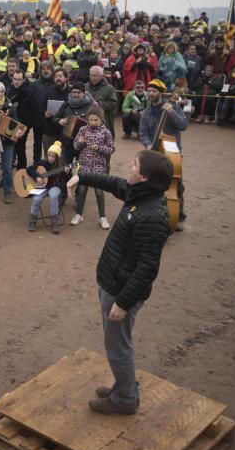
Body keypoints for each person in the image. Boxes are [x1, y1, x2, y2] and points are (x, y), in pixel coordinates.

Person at [65, 149, 174, 415]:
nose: (129, 165)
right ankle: (124, 387)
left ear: (145, 177)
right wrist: (80, 176)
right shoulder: (140, 194)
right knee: (117, 343)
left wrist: (123, 303)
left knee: (117, 345)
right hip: (114, 283)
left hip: (121, 291)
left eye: (134, 164)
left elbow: (148, 267)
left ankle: (125, 398)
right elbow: (114, 183)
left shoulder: (151, 215)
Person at [138, 79, 188, 230]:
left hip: (172, 152)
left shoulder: (173, 106)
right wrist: (148, 145)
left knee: (176, 185)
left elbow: (183, 125)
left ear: (160, 93)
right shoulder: (146, 112)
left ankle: (178, 216)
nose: (151, 94)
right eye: (150, 91)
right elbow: (143, 132)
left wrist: (171, 112)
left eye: (154, 91)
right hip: (154, 152)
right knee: (150, 183)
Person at [71, 105, 115, 228]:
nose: (93, 122)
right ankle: (78, 215)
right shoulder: (83, 129)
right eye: (90, 120)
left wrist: (99, 148)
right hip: (83, 165)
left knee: (99, 192)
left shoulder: (106, 132)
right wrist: (79, 142)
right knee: (82, 190)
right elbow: (75, 146)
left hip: (99, 166)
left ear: (101, 119)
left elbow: (111, 149)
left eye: (96, 120)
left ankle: (102, 218)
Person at [26, 142, 68, 234]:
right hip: (41, 187)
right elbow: (29, 169)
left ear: (57, 157)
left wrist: (68, 173)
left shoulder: (62, 166)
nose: (50, 158)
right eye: (49, 155)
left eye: (53, 156)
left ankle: (54, 221)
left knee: (54, 196)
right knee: (37, 199)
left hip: (54, 186)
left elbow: (67, 178)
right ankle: (33, 220)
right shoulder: (42, 163)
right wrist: (36, 176)